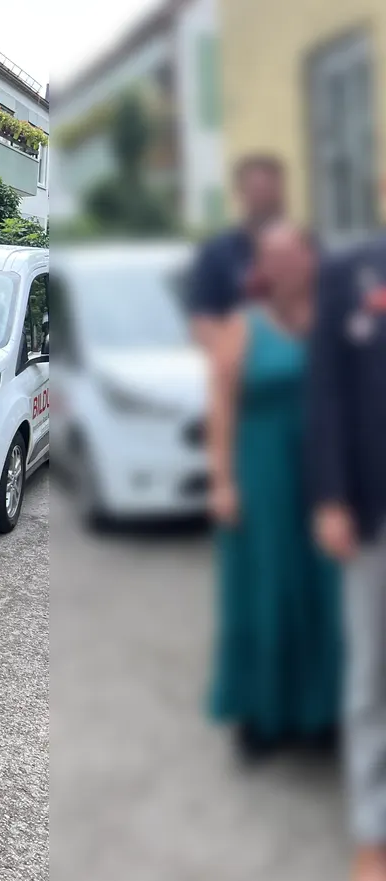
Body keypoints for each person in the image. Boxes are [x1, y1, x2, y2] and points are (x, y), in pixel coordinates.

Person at [205, 222, 342, 762]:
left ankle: (319, 714)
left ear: (312, 260)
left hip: (328, 480)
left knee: (323, 595)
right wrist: (221, 482)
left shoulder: (340, 322)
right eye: (271, 257)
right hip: (260, 476)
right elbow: (220, 405)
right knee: (263, 594)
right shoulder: (244, 325)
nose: (281, 266)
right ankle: (259, 713)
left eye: (291, 255)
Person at [307, 232, 386, 881]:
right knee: (371, 681)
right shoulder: (350, 271)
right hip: (372, 513)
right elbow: (327, 390)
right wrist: (330, 495)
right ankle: (373, 837)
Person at [189, 155, 286, 350]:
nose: (263, 198)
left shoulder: (307, 249)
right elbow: (203, 320)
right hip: (241, 362)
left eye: (269, 190)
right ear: (240, 193)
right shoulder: (218, 254)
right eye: (256, 190)